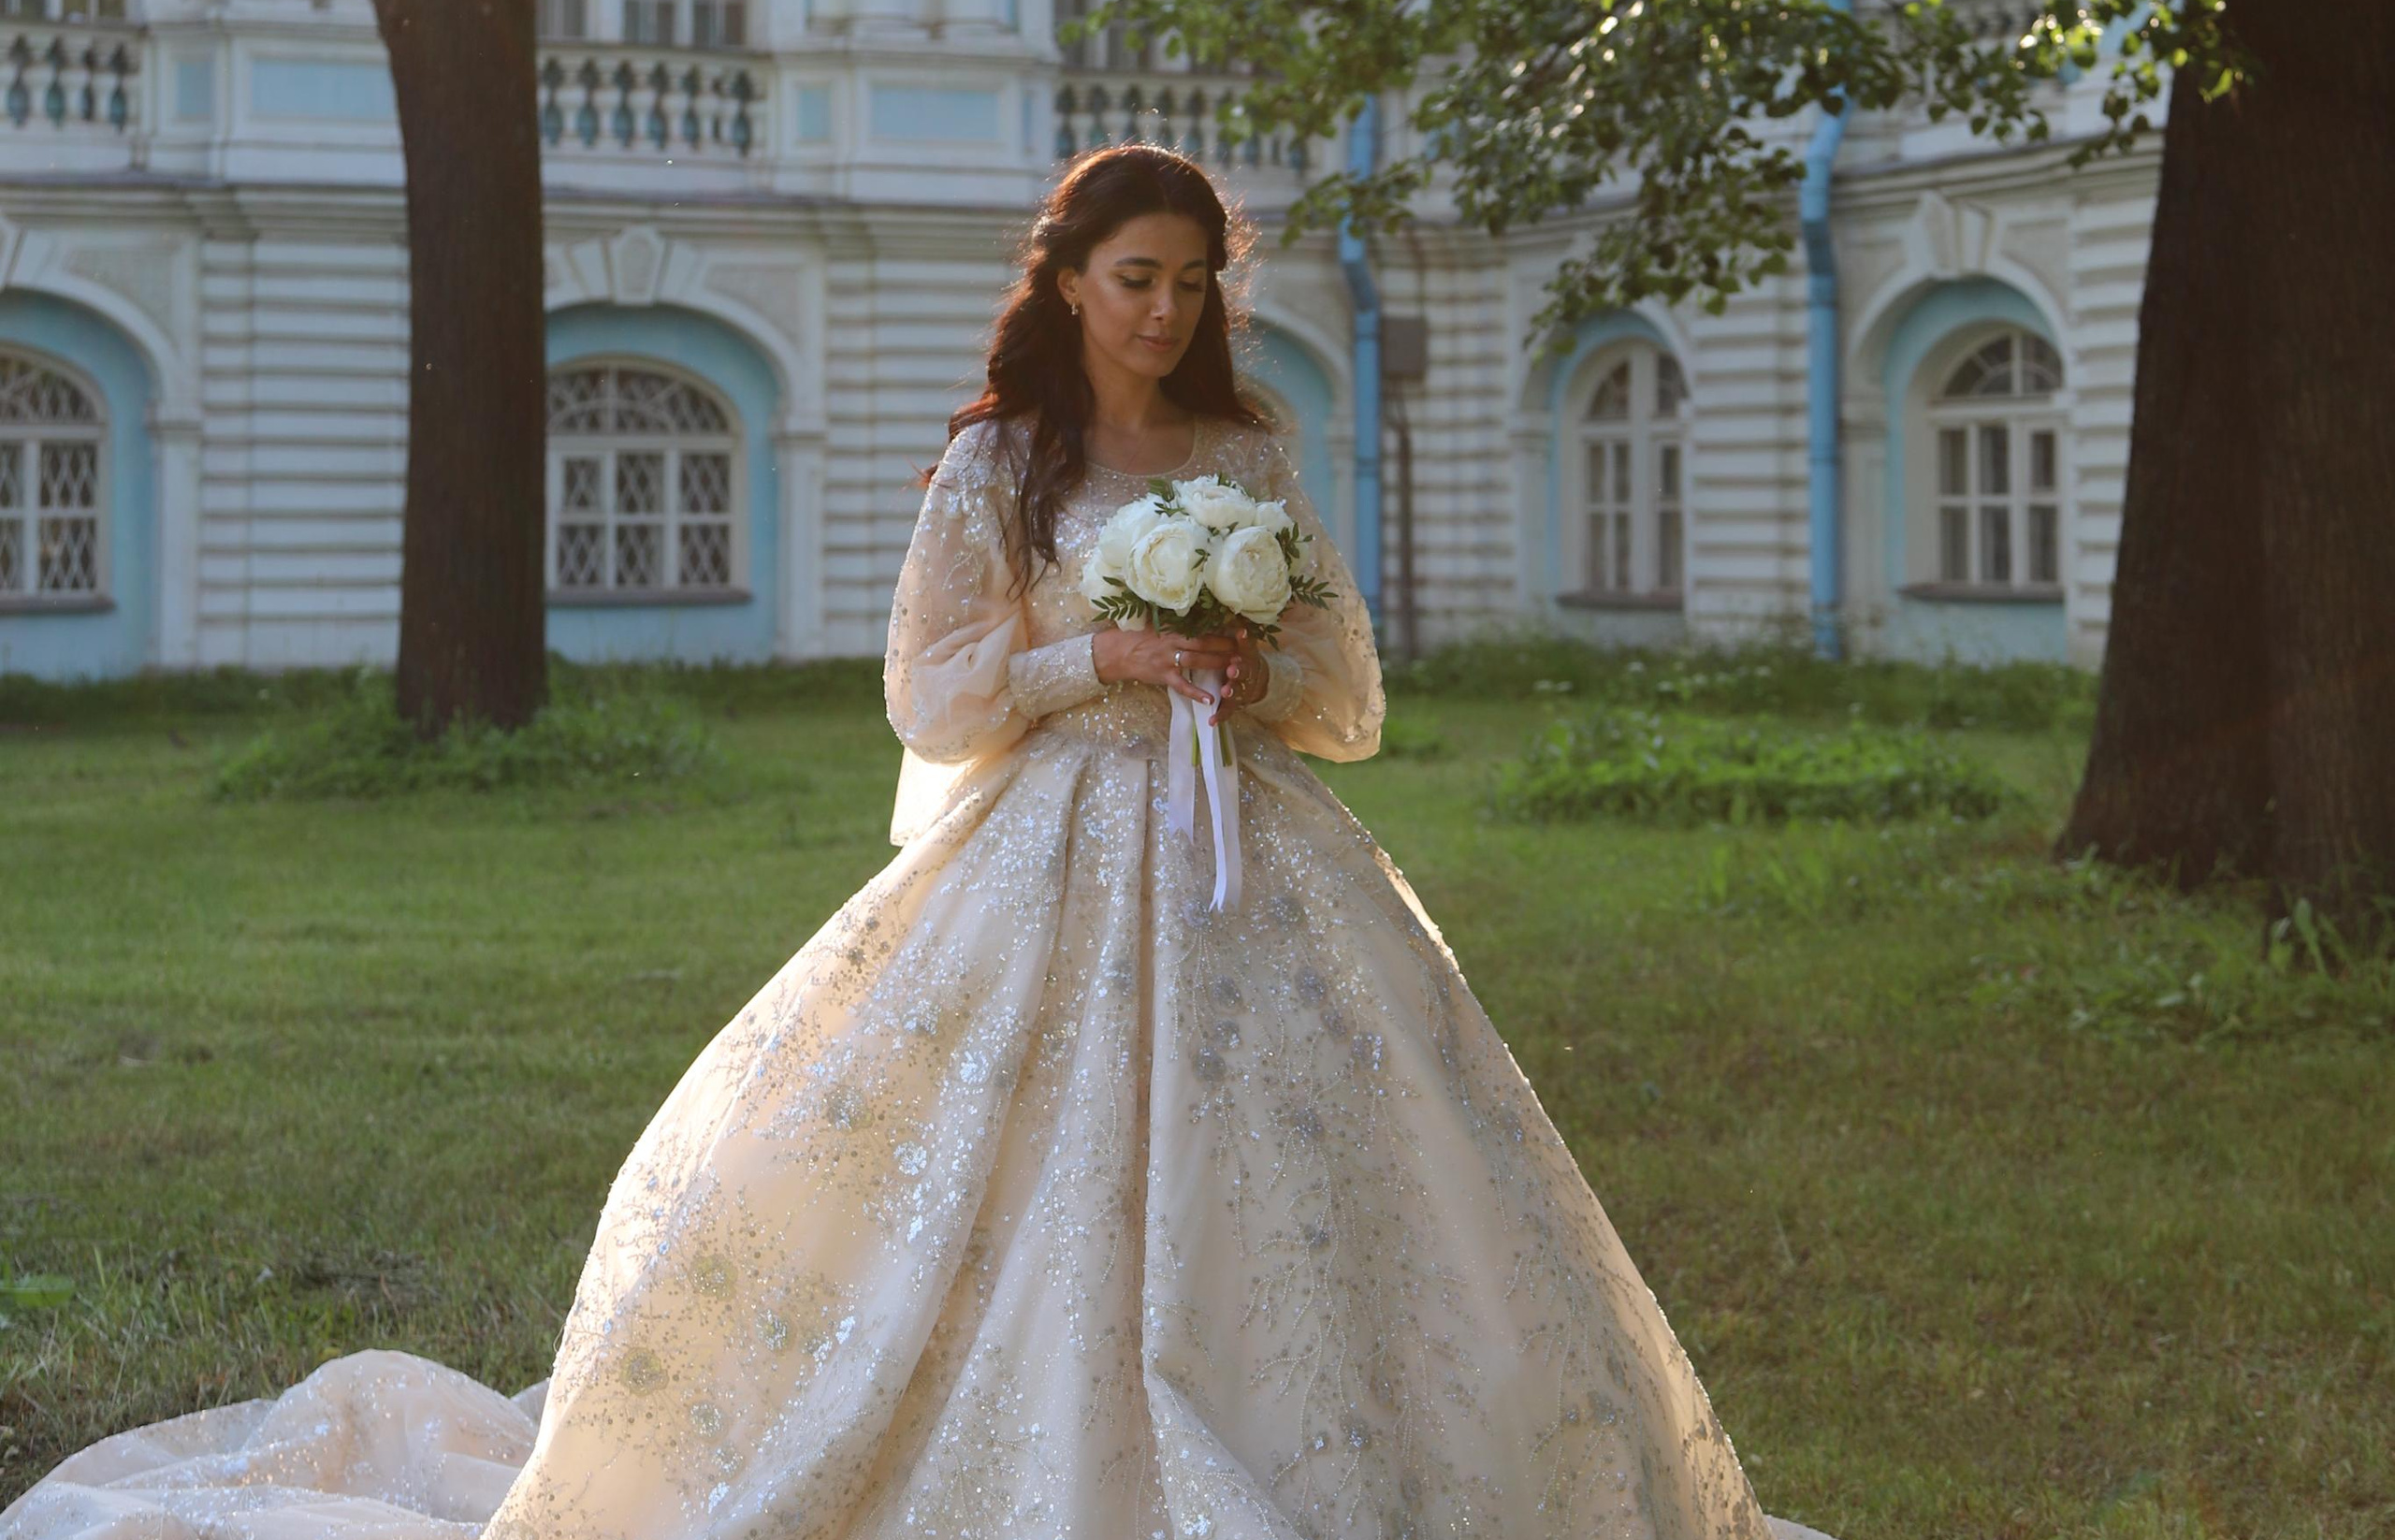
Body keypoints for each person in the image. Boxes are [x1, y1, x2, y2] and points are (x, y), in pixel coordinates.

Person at [1, 145, 1826, 1540]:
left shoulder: (1251, 450)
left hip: (1246, 850)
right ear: (1063, 273)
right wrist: (1091, 651)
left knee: (1346, 1162)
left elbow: (1351, 697)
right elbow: (928, 694)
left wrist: (1236, 661)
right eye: (1132, 278)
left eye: (1191, 281)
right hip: (1045, 844)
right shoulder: (998, 462)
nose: (1162, 313)